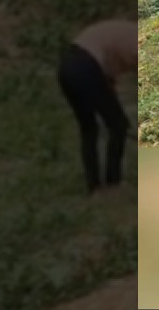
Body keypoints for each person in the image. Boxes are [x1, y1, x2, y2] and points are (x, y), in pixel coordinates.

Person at [57, 18, 137, 195]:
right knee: (118, 126)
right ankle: (113, 183)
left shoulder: (126, 33)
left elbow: (107, 77)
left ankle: (94, 187)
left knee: (89, 128)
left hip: (66, 67)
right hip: (87, 66)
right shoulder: (138, 40)